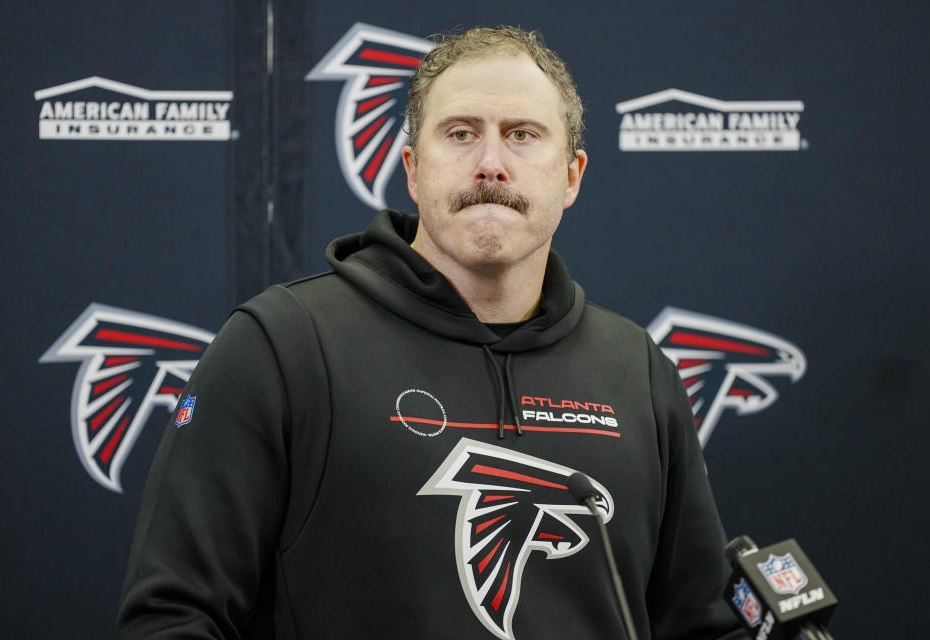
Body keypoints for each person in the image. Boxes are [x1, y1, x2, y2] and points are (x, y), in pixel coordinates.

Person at [118, 26, 746, 640]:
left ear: (572, 176)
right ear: (414, 171)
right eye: (461, 133)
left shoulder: (637, 370)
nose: (491, 164)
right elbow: (173, 614)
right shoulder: (281, 345)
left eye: (523, 135)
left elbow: (703, 624)